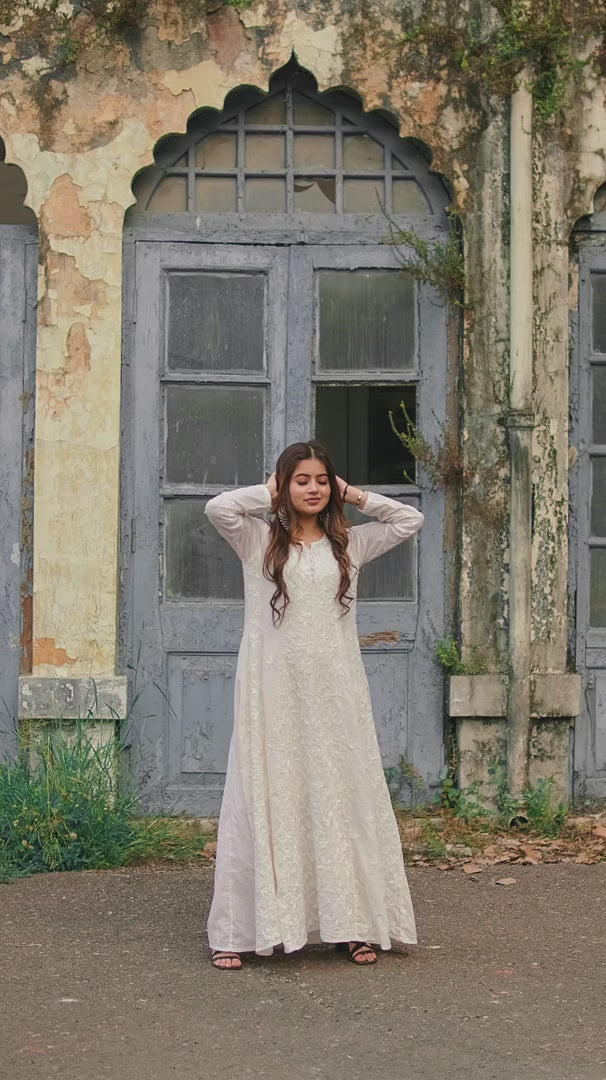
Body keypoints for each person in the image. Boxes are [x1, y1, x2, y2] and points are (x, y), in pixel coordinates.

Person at [205, 440, 424, 970]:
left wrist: (355, 495)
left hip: (334, 692)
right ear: (284, 485)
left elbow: (409, 519)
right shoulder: (257, 538)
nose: (313, 488)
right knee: (266, 792)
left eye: (322, 480)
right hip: (272, 691)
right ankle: (237, 931)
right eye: (301, 479)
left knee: (338, 799)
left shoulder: (348, 544)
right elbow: (218, 508)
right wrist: (269, 492)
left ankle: (350, 925)